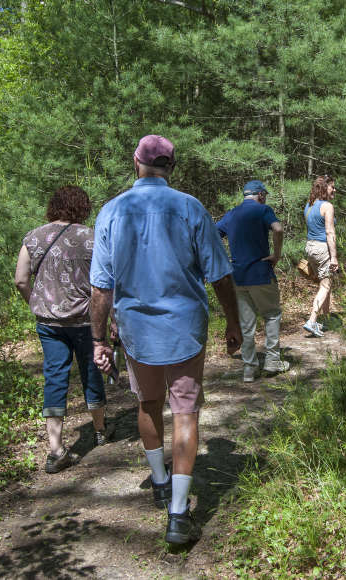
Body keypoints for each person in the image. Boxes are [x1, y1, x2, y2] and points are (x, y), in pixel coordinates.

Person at [89, 135, 242, 546]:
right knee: (186, 413)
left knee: (148, 403)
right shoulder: (190, 208)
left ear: (136, 163)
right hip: (185, 327)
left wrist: (98, 339)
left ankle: (160, 481)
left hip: (137, 329)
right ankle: (177, 514)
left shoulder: (112, 211)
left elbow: (101, 289)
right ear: (171, 167)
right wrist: (234, 323)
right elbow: (220, 275)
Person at [14, 185, 110, 475]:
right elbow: (104, 285)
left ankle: (55, 450)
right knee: (92, 371)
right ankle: (101, 431)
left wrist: (37, 303)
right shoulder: (91, 238)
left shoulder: (33, 237)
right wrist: (111, 321)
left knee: (54, 378)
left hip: (49, 324)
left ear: (53, 206)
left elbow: (20, 280)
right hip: (85, 321)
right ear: (82, 207)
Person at [216, 180, 289, 383]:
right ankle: (273, 361)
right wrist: (277, 254)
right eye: (264, 194)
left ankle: (249, 368)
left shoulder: (231, 214)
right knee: (272, 315)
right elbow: (278, 229)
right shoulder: (263, 210)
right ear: (260, 195)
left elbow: (214, 234)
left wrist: (223, 261)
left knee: (247, 323)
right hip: (261, 273)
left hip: (238, 276)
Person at [302, 175, 338, 337]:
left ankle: (326, 318)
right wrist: (334, 257)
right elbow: (330, 232)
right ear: (324, 188)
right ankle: (312, 320)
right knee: (325, 286)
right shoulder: (327, 206)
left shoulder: (309, 206)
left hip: (310, 248)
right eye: (332, 187)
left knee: (325, 283)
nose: (334, 190)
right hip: (323, 248)